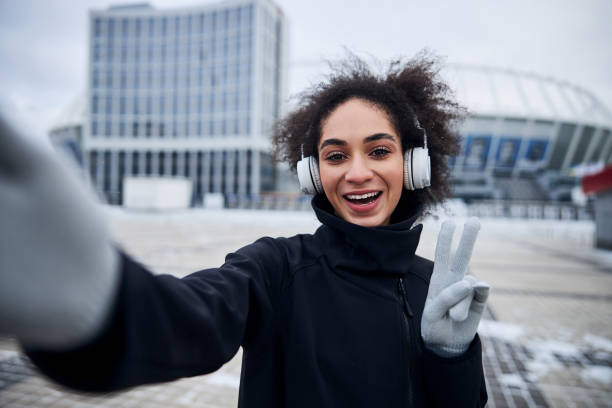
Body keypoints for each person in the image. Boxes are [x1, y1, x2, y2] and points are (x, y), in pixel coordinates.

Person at [0, 54, 490, 407]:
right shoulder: (277, 269)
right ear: (313, 174)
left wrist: (452, 357)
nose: (357, 172)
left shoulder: (435, 286)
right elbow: (190, 317)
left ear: (414, 165)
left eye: (379, 151)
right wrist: (100, 305)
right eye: (336, 156)